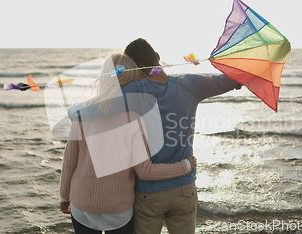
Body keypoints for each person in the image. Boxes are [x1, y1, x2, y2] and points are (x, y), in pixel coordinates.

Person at [68, 38, 241, 234]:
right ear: (158, 56)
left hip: (149, 194)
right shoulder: (191, 84)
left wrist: (74, 113)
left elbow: (97, 108)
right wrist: (251, 69)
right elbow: (232, 80)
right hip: (184, 187)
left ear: (133, 69)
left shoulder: (132, 91)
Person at [59, 54, 197, 234]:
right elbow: (145, 171)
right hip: (118, 208)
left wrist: (64, 196)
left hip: (82, 204)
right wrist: (185, 166)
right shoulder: (134, 118)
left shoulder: (82, 114)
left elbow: (69, 162)